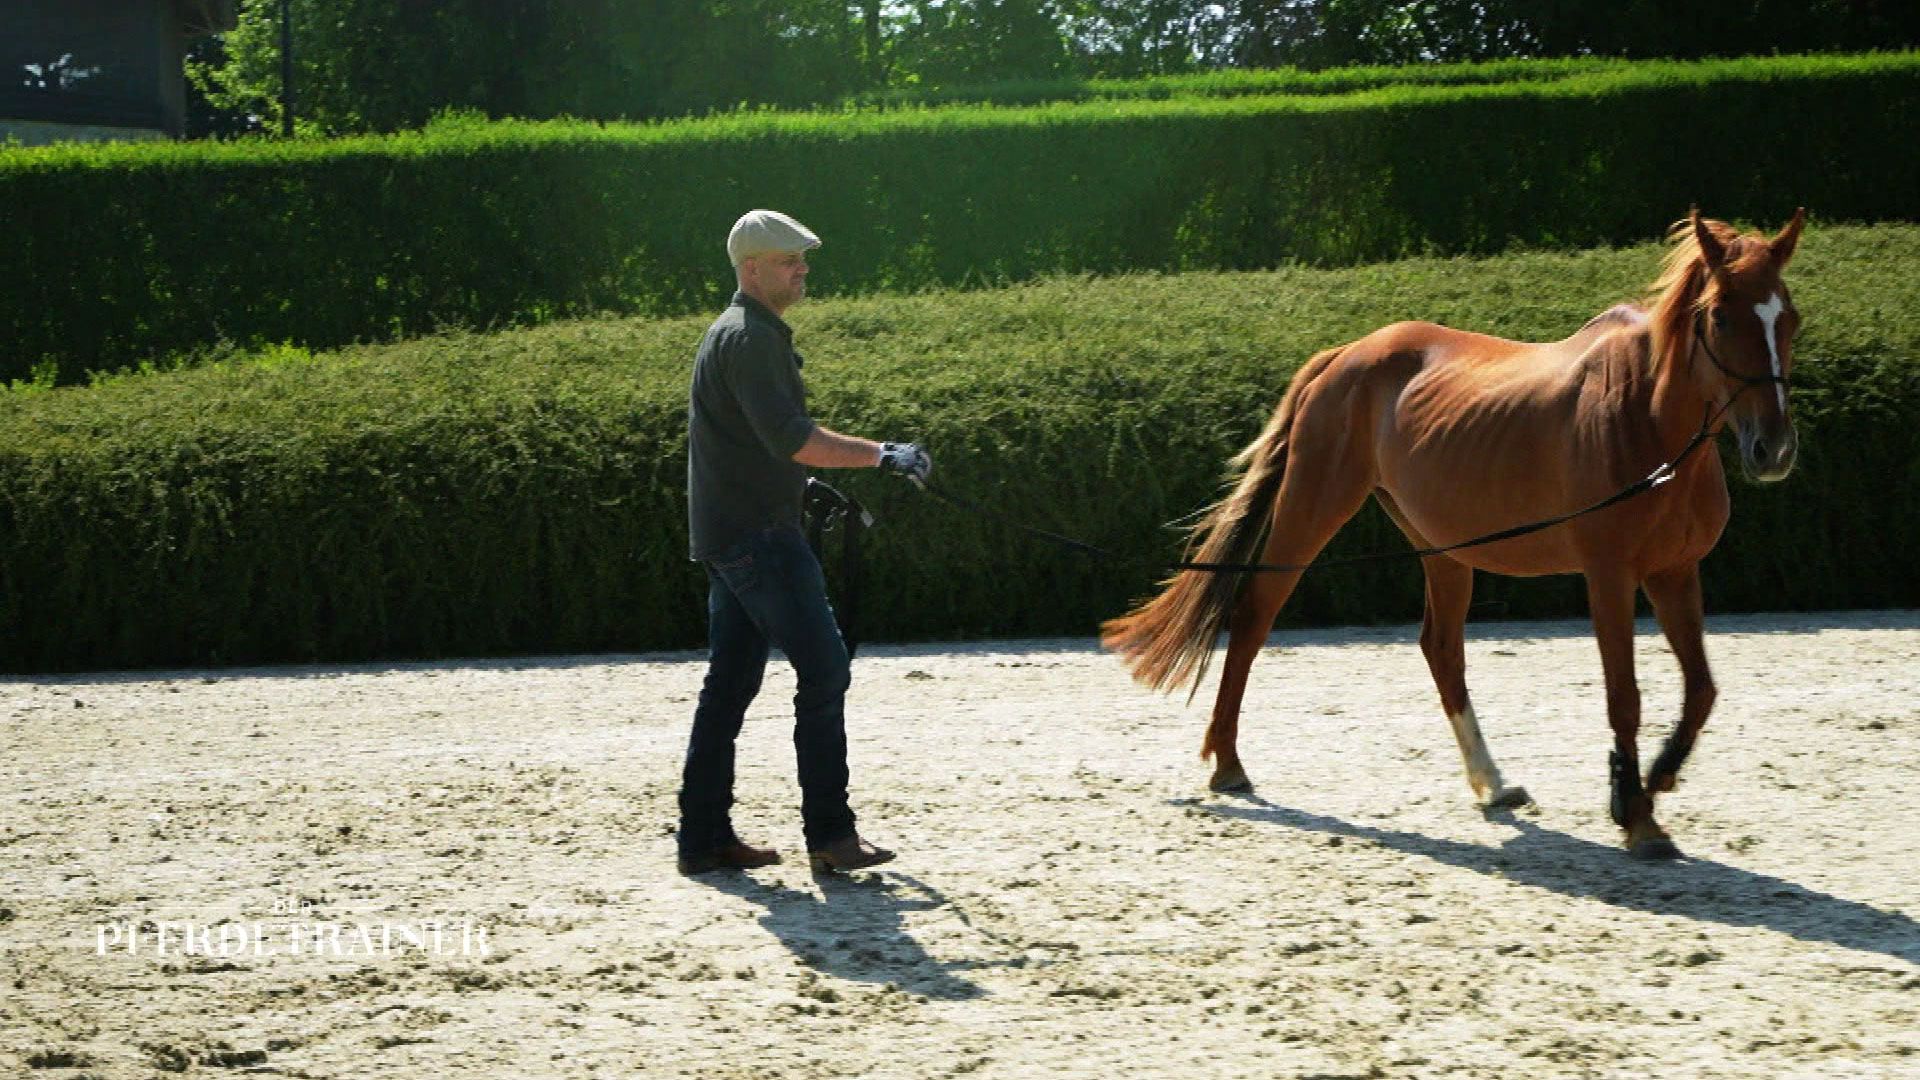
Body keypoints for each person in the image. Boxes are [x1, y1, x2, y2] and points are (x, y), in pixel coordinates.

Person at [677, 209, 932, 876]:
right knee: (825, 668)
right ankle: (831, 836)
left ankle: (702, 839)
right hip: (759, 540)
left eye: (801, 259)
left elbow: (762, 444)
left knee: (728, 687)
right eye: (790, 260)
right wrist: (884, 455)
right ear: (752, 269)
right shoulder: (752, 340)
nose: (803, 269)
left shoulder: (733, 333)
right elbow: (793, 436)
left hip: (731, 535)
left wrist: (804, 481)